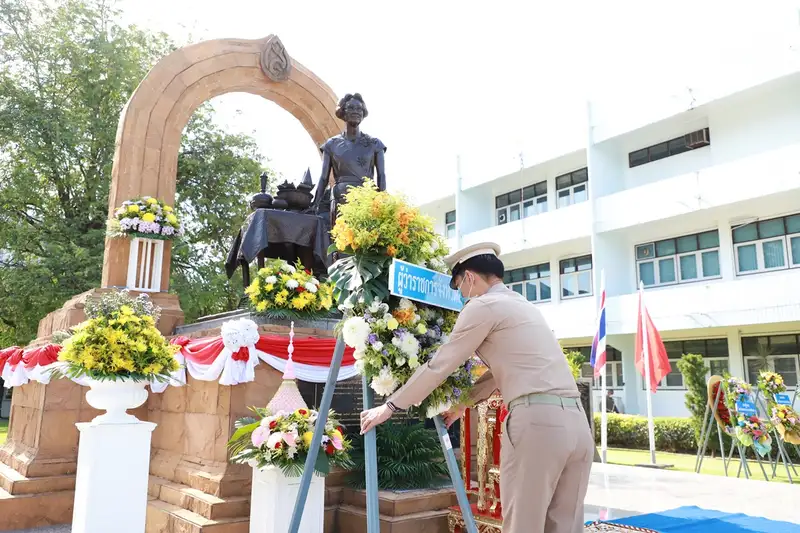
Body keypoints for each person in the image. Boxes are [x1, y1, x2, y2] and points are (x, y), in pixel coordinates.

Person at [360, 242, 594, 533]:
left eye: (458, 287)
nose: (460, 296)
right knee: (566, 527)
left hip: (538, 427)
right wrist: (462, 404)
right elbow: (500, 373)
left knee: (524, 525)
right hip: (577, 425)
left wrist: (391, 405)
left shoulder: (482, 306)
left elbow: (441, 364)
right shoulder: (524, 306)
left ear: (469, 277)